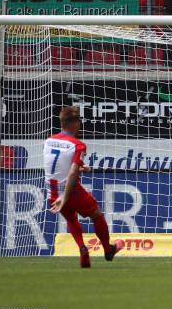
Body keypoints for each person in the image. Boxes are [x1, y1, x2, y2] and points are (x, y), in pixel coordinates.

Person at [44, 106, 123, 268]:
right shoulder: (77, 145)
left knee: (71, 218)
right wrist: (65, 196)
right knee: (97, 215)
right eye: (78, 121)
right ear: (74, 123)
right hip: (70, 191)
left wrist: (80, 168)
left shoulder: (49, 140)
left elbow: (58, 166)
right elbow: (71, 172)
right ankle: (108, 250)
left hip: (51, 190)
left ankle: (82, 247)